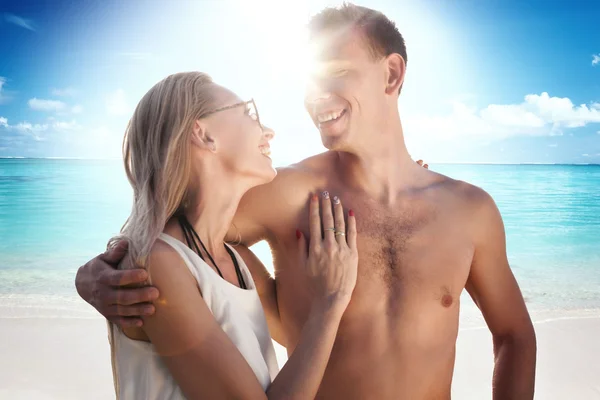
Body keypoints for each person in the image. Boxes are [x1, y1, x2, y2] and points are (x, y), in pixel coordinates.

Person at [76, 4, 536, 399]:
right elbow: (173, 232)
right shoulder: (284, 193)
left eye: (336, 73)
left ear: (391, 74)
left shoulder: (468, 211)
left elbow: (514, 336)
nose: (317, 96)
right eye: (309, 79)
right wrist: (96, 273)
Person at [101, 71, 359, 399]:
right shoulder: (158, 266)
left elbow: (293, 332)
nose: (268, 131)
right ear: (203, 134)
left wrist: (393, 188)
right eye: (248, 113)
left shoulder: (235, 260)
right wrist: (330, 301)